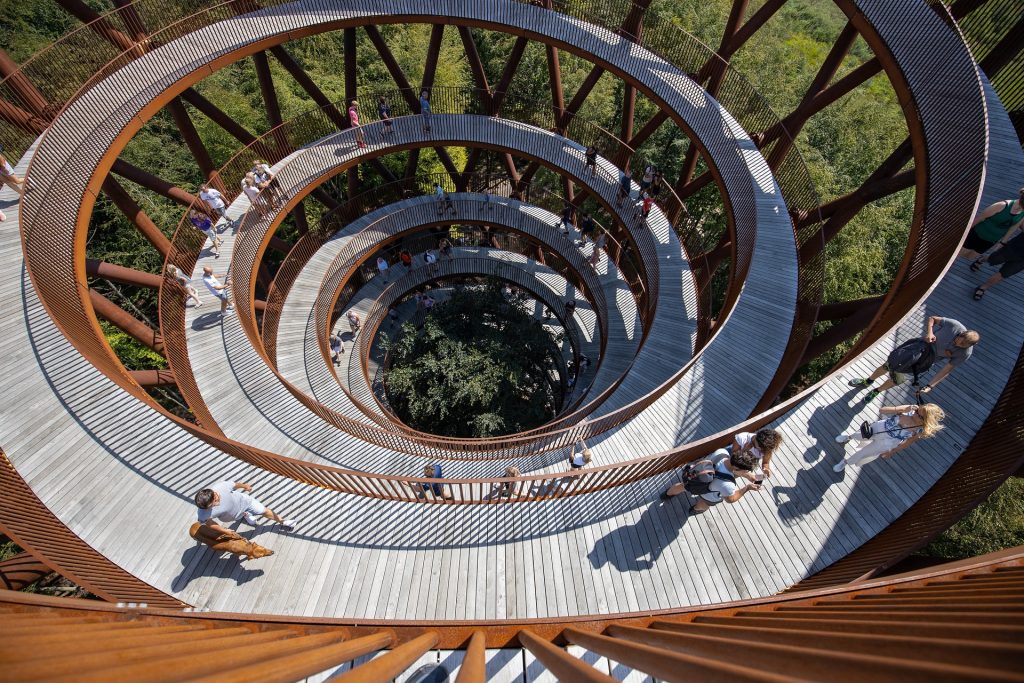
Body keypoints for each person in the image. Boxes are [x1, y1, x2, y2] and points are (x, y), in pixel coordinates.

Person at [848, 316, 979, 401]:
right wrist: (930, 332)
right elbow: (932, 319)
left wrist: (930, 386)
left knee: (897, 379)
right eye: (958, 340)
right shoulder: (954, 325)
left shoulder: (965, 353)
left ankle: (877, 391)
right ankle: (868, 381)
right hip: (916, 348)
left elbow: (947, 369)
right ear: (961, 333)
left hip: (922, 363)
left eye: (961, 346)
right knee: (888, 365)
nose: (957, 344)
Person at [833, 403, 945, 472]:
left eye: (919, 415)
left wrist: (893, 451)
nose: (915, 413)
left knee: (864, 453)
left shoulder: (920, 430)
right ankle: (849, 437)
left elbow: (907, 443)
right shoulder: (909, 409)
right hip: (879, 427)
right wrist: (902, 410)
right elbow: (882, 410)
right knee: (860, 435)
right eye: (917, 411)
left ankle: (846, 462)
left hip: (888, 443)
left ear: (925, 421)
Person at [661, 448, 762, 514]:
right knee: (705, 503)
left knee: (682, 486)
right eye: (746, 470)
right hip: (707, 494)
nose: (747, 472)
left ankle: (666, 494)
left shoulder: (722, 452)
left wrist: (744, 474)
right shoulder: (728, 485)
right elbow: (730, 499)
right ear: (737, 469)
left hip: (694, 479)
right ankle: (694, 510)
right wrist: (747, 487)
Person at [195, 480, 296, 532]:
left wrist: (245, 486)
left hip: (246, 502)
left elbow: (234, 484)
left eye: (216, 496)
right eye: (214, 503)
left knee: (264, 511)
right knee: (242, 516)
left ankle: (283, 521)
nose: (218, 499)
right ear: (207, 507)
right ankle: (246, 515)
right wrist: (224, 530)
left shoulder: (220, 487)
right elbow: (209, 523)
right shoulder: (203, 514)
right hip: (233, 516)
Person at [960, 187, 1024, 262]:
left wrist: (1002, 243)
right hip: (976, 234)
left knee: (970, 257)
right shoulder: (1002, 205)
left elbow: (1012, 228)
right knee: (960, 254)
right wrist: (962, 233)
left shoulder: (1023, 213)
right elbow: (980, 218)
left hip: (991, 241)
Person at [971, 232, 1024, 300]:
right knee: (993, 259)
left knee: (1004, 274)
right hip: (1014, 247)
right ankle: (982, 259)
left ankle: (983, 288)